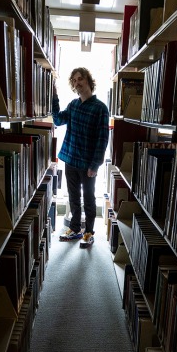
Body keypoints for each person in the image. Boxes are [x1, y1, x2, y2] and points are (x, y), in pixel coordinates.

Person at [52, 67, 110, 246]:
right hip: (70, 159)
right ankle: (75, 229)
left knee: (89, 199)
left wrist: (95, 165)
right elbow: (58, 120)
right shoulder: (73, 105)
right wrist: (54, 98)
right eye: (74, 81)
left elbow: (102, 139)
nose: (77, 83)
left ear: (88, 81)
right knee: (73, 197)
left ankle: (89, 232)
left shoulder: (100, 108)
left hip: (87, 164)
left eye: (80, 79)